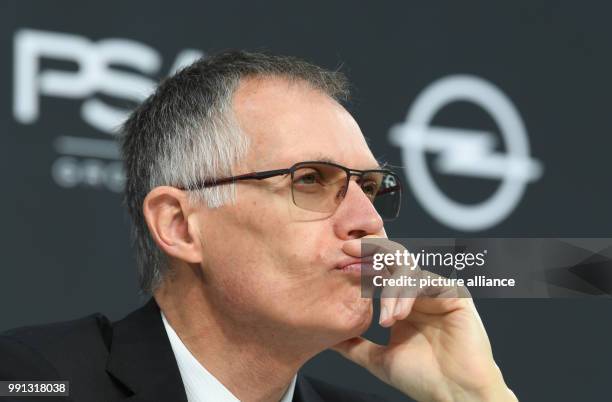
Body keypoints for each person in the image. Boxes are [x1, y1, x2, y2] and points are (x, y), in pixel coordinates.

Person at [0, 51, 517, 402]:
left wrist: (475, 395)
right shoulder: (33, 381)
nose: (369, 220)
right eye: (312, 179)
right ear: (179, 226)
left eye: (371, 186)